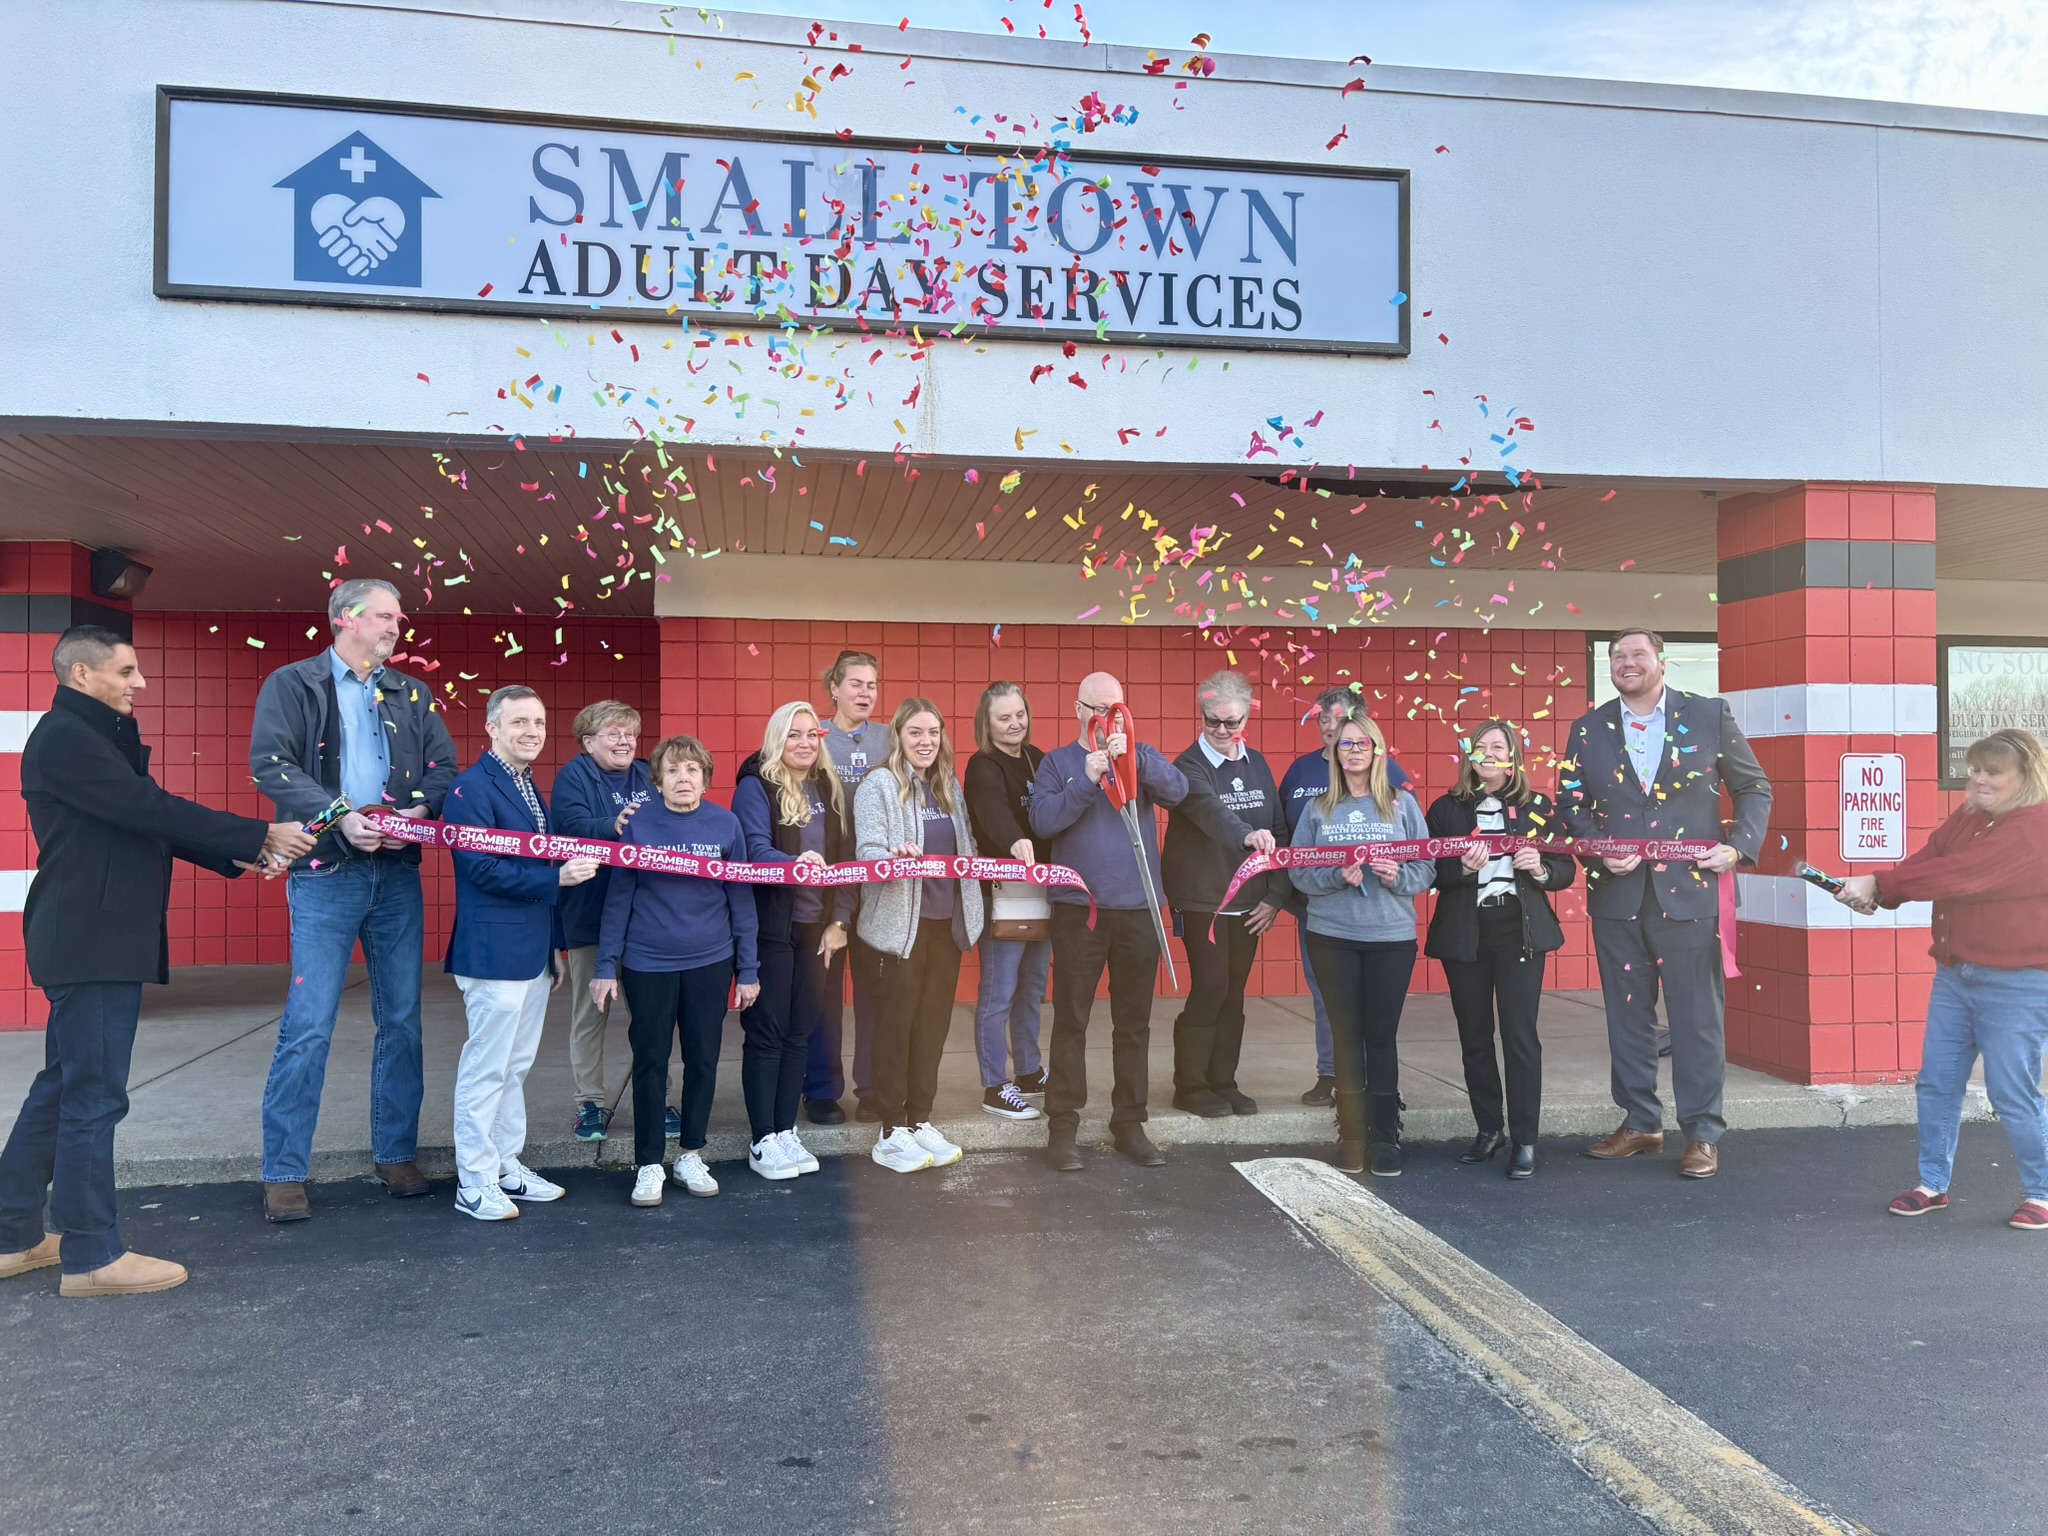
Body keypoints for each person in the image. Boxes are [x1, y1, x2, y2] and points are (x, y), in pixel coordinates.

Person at [0, 628, 311, 1296]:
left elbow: (141, 822)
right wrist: (256, 834)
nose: (140, 683)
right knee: (94, 1095)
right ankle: (92, 1257)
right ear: (81, 674)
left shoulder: (88, 738)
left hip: (89, 935)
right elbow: (145, 807)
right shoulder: (66, 738)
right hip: (92, 939)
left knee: (64, 1084)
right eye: (127, 671)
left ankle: (13, 1235)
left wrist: (244, 853)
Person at [249, 577, 458, 1223]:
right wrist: (340, 815)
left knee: (403, 1021)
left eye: (400, 618)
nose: (398, 627)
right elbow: (271, 762)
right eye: (386, 616)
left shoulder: (412, 692)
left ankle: (395, 1154)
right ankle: (284, 1171)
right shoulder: (293, 684)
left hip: (396, 875)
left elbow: (444, 768)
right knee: (309, 1024)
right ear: (345, 617)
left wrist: (415, 810)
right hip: (323, 875)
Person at [1560, 628, 1771, 1180]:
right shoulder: (1587, 730)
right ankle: (1640, 1122)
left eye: (1637, 654)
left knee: (1697, 1018)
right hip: (1618, 895)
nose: (1627, 663)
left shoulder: (1708, 716)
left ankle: (1702, 1133)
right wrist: (1599, 852)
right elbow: (1571, 804)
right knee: (1628, 1016)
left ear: (1662, 662)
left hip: (1692, 892)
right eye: (1617, 657)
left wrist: (1739, 846)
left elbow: (1754, 788)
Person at [1834, 729, 2048, 1231]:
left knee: (2012, 1092)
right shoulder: (1973, 815)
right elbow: (1933, 858)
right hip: (1956, 976)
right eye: (1975, 768)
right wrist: (1880, 891)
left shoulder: (2035, 828)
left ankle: (2042, 1192)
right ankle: (1932, 1185)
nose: (1979, 778)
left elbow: (1966, 875)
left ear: (2025, 776)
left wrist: (1884, 884)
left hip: (2016, 983)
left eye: (1992, 771)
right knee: (1937, 1083)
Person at [442, 688, 599, 1222]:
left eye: (538, 721)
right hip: (492, 951)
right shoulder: (470, 788)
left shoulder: (528, 787)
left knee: (514, 1068)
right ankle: (474, 1181)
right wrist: (556, 878)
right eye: (518, 722)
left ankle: (506, 1165)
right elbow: (479, 867)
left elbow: (539, 861)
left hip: (532, 951)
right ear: (492, 727)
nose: (531, 731)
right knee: (486, 1069)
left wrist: (555, 943)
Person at [1031, 672, 1189, 1171]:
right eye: (1096, 708)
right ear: (1078, 709)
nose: (1106, 717)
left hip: (1139, 907)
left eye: (1115, 707)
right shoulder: (1057, 763)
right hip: (1081, 911)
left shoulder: (1142, 756)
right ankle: (1063, 1125)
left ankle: (1129, 1122)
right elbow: (1044, 821)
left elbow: (1178, 792)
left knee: (1134, 1022)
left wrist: (1133, 758)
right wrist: (1089, 777)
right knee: (1072, 1018)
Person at [593, 736, 760, 1209]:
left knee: (704, 1059)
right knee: (650, 1061)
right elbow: (619, 897)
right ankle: (648, 1162)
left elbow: (741, 900)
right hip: (648, 964)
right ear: (658, 781)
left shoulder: (726, 824)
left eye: (691, 770)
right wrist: (606, 965)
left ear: (705, 778)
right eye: (672, 771)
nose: (683, 779)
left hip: (711, 961)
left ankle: (690, 1153)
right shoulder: (639, 825)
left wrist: (748, 968)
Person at [1424, 722, 1577, 1179]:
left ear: (1514, 758)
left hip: (1520, 933)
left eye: (1499, 747)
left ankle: (1525, 1140)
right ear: (1468, 755)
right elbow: (1430, 872)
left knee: (1520, 1036)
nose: (1488, 754)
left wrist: (1542, 869)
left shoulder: (1537, 807)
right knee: (1474, 1036)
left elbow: (1565, 867)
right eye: (1481, 747)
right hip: (1466, 934)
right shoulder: (1447, 809)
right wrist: (1465, 870)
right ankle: (1489, 1129)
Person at [1290, 708, 1436, 1177]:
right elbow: (1298, 871)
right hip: (1332, 936)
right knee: (1347, 1037)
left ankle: (1385, 1134)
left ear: (1377, 751)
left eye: (1361, 743)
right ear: (1334, 752)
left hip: (1390, 937)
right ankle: (1351, 1133)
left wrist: (1398, 876)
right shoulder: (1318, 808)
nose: (1352, 750)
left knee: (1381, 1037)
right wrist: (1336, 874)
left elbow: (1426, 868)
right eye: (1344, 743)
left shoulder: (1402, 805)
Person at [854, 698, 984, 1174]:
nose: (925, 741)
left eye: (933, 732)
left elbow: (965, 847)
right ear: (898, 737)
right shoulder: (879, 784)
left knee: (931, 1028)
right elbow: (866, 849)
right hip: (896, 931)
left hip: (943, 927)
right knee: (895, 1029)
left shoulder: (948, 786)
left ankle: (920, 1118)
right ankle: (891, 1130)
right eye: (915, 733)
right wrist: (891, 853)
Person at [733, 701, 851, 1180]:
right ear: (776, 738)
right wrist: (792, 864)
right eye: (793, 734)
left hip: (816, 929)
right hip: (771, 928)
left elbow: (845, 859)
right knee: (768, 1033)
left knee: (801, 1031)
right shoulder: (755, 785)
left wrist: (839, 921)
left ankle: (785, 1130)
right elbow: (754, 847)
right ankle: (762, 1138)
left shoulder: (827, 786)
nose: (804, 743)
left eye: (811, 734)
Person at [1162, 670, 1286, 1118]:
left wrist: (1275, 895)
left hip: (1250, 901)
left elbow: (1279, 829)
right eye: (1211, 720)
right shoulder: (1187, 766)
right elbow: (1208, 812)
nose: (1220, 730)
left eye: (1230, 723)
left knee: (1234, 992)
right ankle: (1190, 1084)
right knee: (1211, 985)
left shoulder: (1258, 764)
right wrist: (1247, 835)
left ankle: (1223, 1080)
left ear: (1245, 718)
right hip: (1203, 899)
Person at [1279, 687, 1412, 1107]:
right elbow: (1289, 843)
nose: (1333, 730)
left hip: (1382, 921)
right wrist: (1309, 884)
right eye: (1324, 720)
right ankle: (1331, 1075)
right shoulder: (1300, 774)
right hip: (1320, 913)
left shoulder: (1394, 783)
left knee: (1376, 1015)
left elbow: (1416, 851)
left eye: (1343, 722)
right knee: (1329, 1001)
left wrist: (1396, 875)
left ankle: (1379, 1089)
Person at [549, 700, 658, 1143]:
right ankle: (589, 1103)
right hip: (590, 913)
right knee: (590, 1013)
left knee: (650, 1015)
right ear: (588, 741)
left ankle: (655, 1097)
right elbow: (570, 825)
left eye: (629, 732)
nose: (624, 740)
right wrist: (614, 824)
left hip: (647, 917)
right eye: (613, 733)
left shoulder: (651, 772)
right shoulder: (573, 776)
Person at [808, 649, 891, 1126]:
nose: (865, 692)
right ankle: (821, 1089)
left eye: (872, 685)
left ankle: (874, 1088)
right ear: (834, 688)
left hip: (879, 884)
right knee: (824, 993)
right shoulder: (813, 736)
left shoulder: (887, 738)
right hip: (829, 882)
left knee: (876, 991)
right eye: (856, 684)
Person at [963, 682, 1048, 1122]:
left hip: (1043, 892)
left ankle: (1030, 1072)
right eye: (1004, 717)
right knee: (999, 992)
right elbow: (992, 811)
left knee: (1032, 988)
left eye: (1020, 714)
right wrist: (1014, 840)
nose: (1015, 723)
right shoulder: (983, 765)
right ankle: (995, 1086)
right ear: (988, 723)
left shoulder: (1038, 758)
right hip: (1004, 892)